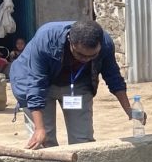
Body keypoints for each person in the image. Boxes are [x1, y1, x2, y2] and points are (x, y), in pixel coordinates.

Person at [9, 19, 144, 149]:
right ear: (70, 43)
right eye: (81, 55)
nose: (86, 60)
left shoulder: (105, 43)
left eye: (92, 56)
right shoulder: (46, 39)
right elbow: (35, 84)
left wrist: (128, 109)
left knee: (83, 141)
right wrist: (39, 129)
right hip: (37, 83)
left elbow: (113, 76)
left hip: (76, 84)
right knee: (44, 141)